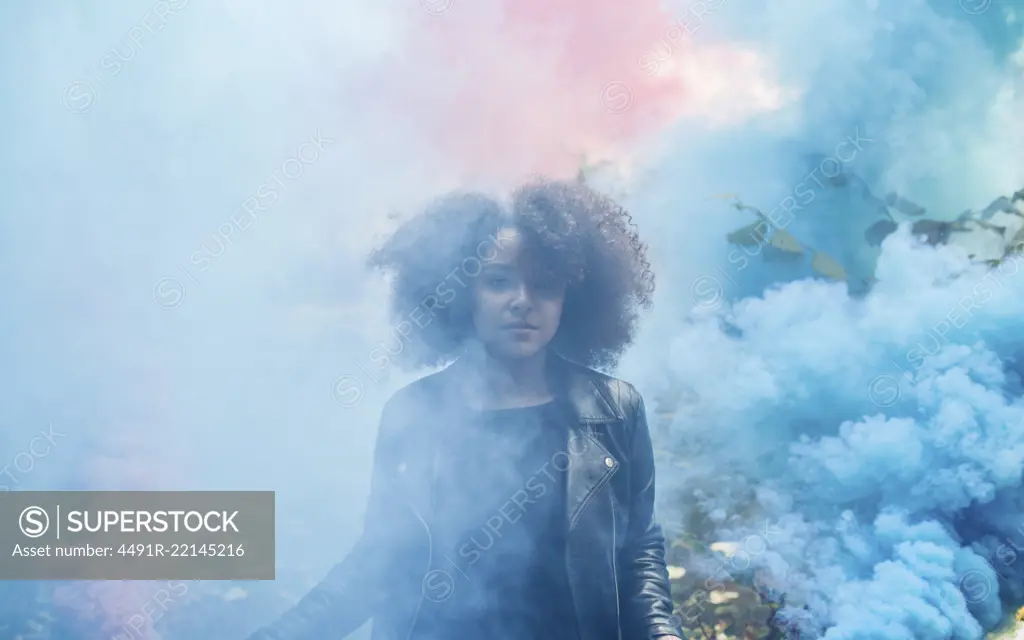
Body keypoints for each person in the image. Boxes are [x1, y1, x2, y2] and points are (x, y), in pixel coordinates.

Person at [248, 178, 683, 640]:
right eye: (498, 282)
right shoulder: (413, 413)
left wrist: (663, 633)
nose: (522, 301)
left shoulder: (614, 410)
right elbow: (377, 564)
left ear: (570, 300)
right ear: (460, 292)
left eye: (545, 285)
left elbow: (638, 552)